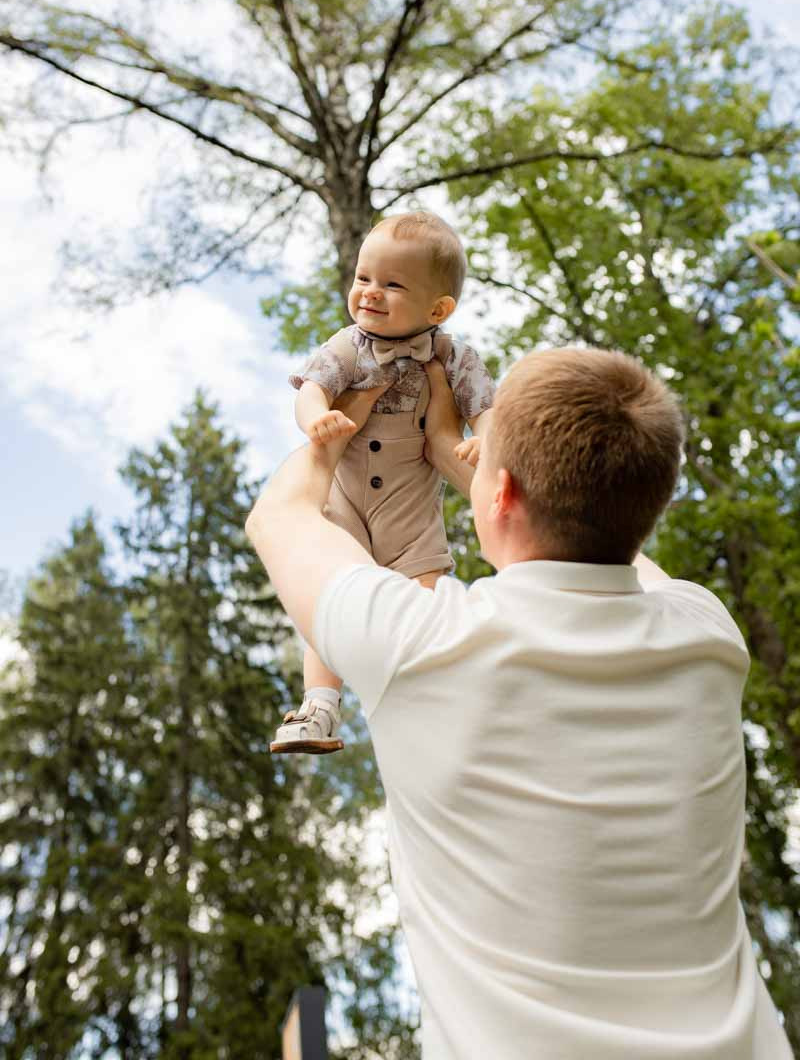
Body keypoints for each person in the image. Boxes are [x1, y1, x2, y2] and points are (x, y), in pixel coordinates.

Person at [245, 345, 793, 1059]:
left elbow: (280, 515)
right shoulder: (705, 635)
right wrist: (471, 457)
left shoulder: (422, 642)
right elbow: (608, 534)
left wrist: (342, 421)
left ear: (499, 492)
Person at [270, 209, 495, 754]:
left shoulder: (453, 356)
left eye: (392, 284)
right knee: (329, 605)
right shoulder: (348, 345)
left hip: (409, 509)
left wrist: (486, 437)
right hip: (344, 504)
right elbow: (310, 388)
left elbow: (488, 407)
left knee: (424, 605)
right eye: (363, 278)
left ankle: (428, 708)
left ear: (438, 309)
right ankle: (319, 708)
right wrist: (315, 417)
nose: (370, 292)